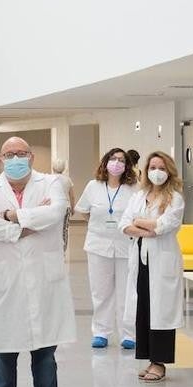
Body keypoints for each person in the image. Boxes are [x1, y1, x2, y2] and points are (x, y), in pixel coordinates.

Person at [0, 137, 75, 387]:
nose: (15, 158)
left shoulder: (51, 183)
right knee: (3, 360)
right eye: (9, 154)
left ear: (31, 157)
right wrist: (26, 226)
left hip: (44, 283)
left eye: (21, 153)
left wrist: (11, 216)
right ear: (1, 159)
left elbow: (56, 212)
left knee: (45, 359)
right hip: (7, 284)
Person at [119, 151, 185, 383]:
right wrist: (146, 228)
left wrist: (139, 223)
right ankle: (149, 359)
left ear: (169, 172)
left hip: (162, 260)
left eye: (162, 168)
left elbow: (164, 226)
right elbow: (123, 224)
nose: (157, 172)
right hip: (141, 258)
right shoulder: (139, 196)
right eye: (153, 167)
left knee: (161, 311)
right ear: (146, 170)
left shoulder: (175, 198)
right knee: (145, 308)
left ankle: (160, 363)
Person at [74, 148, 138, 350]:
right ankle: (101, 332)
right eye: (113, 159)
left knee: (127, 292)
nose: (117, 163)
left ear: (127, 165)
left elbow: (138, 214)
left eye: (121, 160)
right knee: (101, 291)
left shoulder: (133, 189)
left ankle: (129, 334)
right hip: (98, 246)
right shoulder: (93, 186)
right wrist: (97, 225)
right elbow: (83, 210)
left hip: (126, 245)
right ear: (105, 162)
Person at [50, 158, 76, 250]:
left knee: (52, 228)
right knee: (64, 229)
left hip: (53, 207)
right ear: (64, 168)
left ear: (53, 167)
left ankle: (53, 248)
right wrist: (73, 208)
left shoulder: (49, 178)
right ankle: (63, 249)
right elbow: (72, 196)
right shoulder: (67, 180)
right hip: (65, 207)